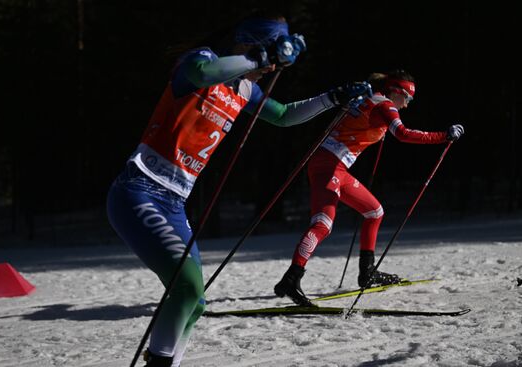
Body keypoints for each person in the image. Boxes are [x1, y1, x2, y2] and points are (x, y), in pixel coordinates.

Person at [106, 12, 371, 367]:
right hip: (139, 190)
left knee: (195, 303)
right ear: (247, 45)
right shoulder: (201, 60)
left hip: (174, 203)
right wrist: (259, 58)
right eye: (269, 58)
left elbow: (284, 115)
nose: (270, 69)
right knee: (186, 288)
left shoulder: (245, 88)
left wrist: (333, 98)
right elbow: (202, 75)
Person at [274, 69, 465, 307]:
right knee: (322, 224)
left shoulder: (370, 97)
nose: (407, 104)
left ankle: (367, 273)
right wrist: (444, 136)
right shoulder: (385, 105)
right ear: (396, 91)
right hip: (330, 165)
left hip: (335, 166)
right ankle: (291, 279)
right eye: (408, 98)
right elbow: (403, 134)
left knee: (374, 211)